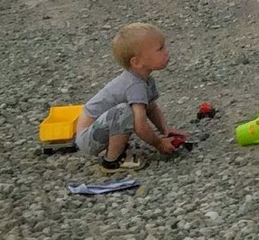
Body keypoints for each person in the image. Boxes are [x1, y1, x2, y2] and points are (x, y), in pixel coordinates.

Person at [74, 23, 186, 171]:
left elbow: (151, 108)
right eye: (160, 49)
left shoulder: (145, 80)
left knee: (129, 111)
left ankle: (119, 146)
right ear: (137, 62)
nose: (166, 51)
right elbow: (140, 126)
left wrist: (165, 129)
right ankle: (112, 161)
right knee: (125, 112)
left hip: (99, 128)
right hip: (88, 138)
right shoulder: (134, 86)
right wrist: (158, 143)